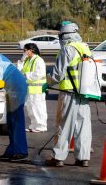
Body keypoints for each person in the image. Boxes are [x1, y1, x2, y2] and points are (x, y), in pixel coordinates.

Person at [45, 21, 92, 167]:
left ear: (64, 35)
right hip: (84, 93)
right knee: (83, 125)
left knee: (65, 124)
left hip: (69, 92)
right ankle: (83, 158)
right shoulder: (85, 47)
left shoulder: (67, 49)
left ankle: (58, 157)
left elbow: (58, 74)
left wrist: (47, 82)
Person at [17, 43, 48, 133]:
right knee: (30, 108)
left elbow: (39, 74)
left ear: (31, 50)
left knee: (38, 107)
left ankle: (41, 126)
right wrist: (22, 60)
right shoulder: (27, 60)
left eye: (25, 50)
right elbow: (20, 71)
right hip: (29, 89)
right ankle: (34, 125)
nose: (24, 52)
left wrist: (26, 75)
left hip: (37, 89)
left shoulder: (38, 60)